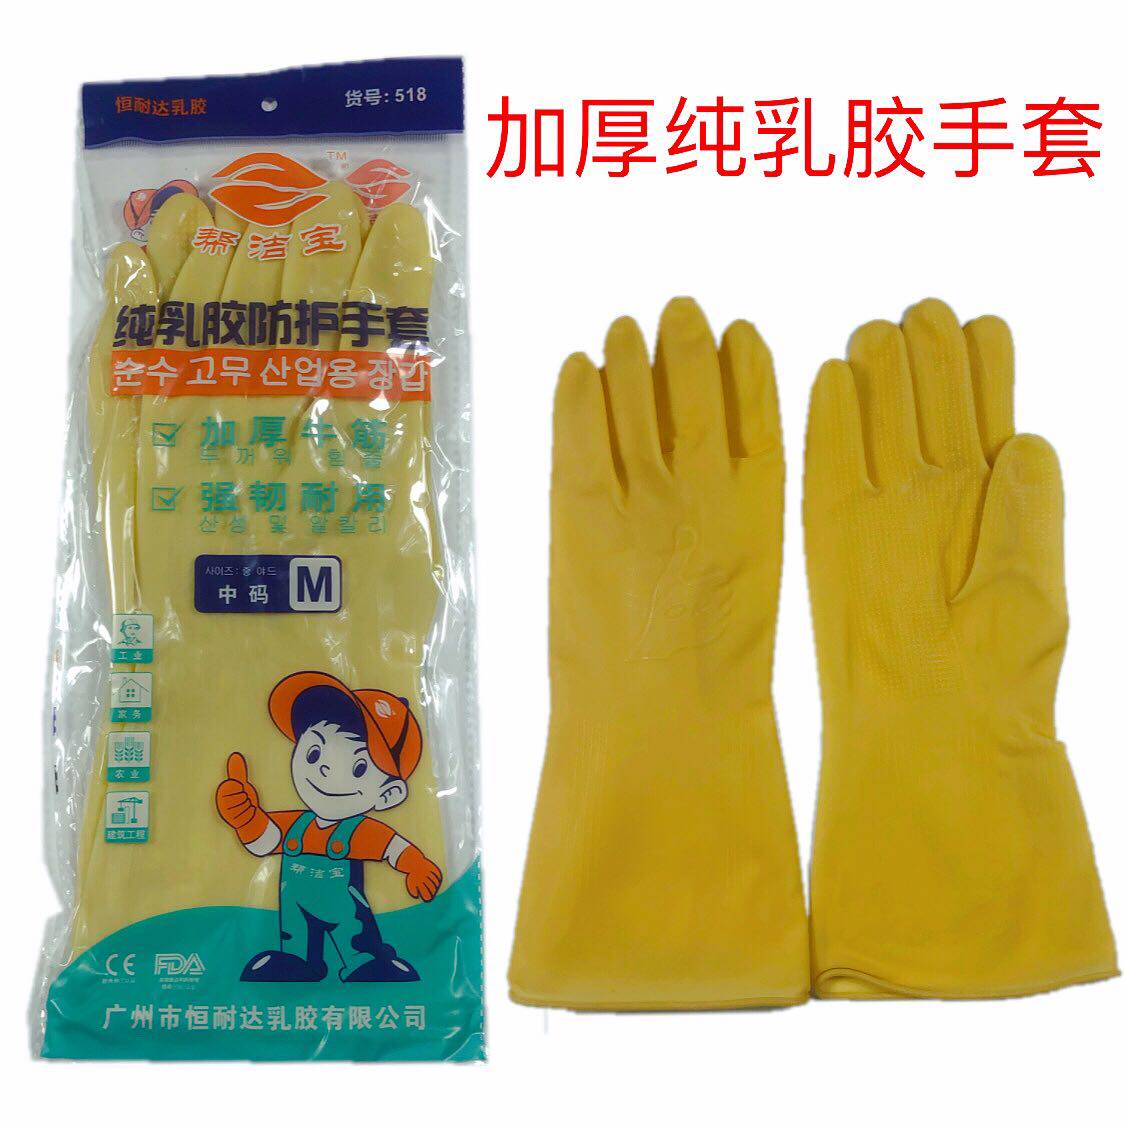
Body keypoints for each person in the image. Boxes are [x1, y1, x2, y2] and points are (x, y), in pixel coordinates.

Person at [215, 671, 442, 983]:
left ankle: (364, 961)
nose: (323, 768)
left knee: (355, 938)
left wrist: (416, 866)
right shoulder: (295, 824)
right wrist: (245, 817)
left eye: (359, 767)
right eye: (314, 752)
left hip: (345, 913)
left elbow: (392, 848)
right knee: (294, 937)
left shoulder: (361, 832)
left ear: (388, 794)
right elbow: (264, 841)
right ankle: (298, 960)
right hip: (296, 911)